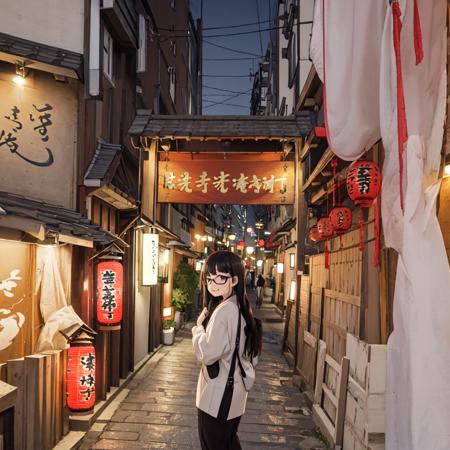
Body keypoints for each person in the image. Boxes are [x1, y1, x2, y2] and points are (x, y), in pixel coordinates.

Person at [192, 251, 262, 450]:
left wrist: (198, 328)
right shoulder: (240, 306)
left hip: (219, 394)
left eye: (220, 278)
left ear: (233, 280)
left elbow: (206, 353)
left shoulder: (224, 311)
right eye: (209, 278)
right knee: (228, 442)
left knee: (213, 444)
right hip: (234, 392)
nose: (213, 284)